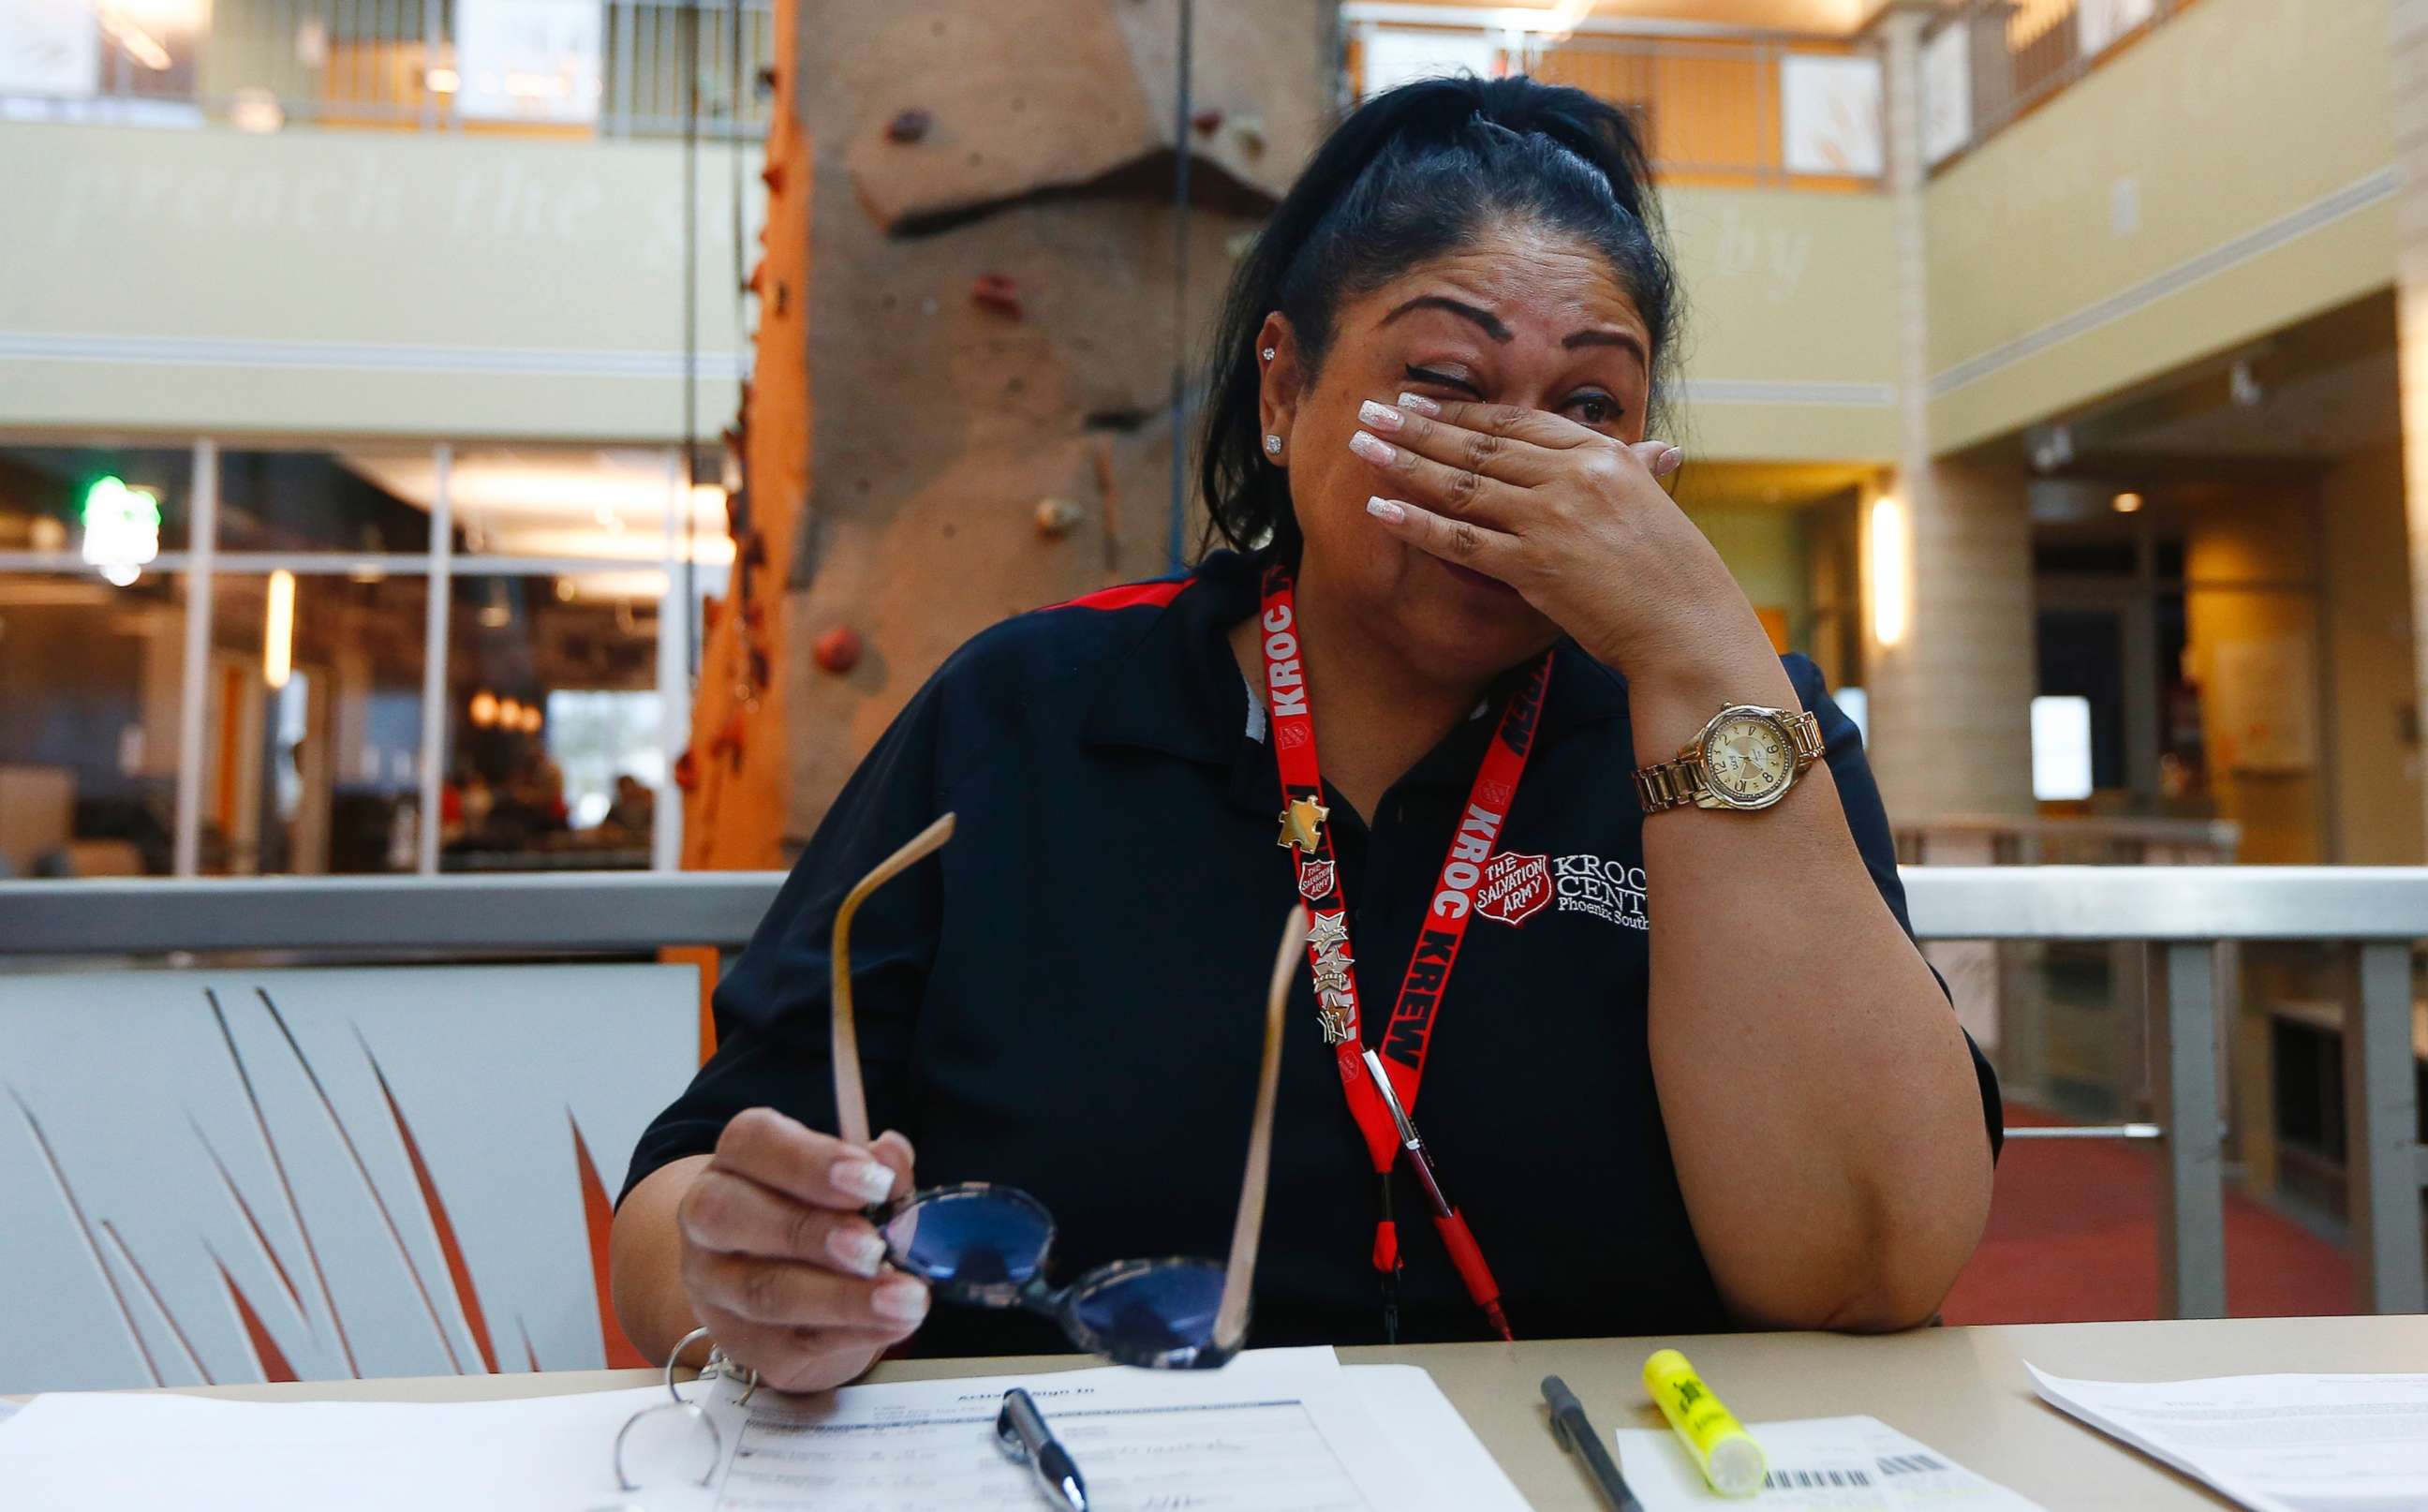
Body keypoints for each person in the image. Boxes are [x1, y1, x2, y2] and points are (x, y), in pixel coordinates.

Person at [611, 76, 2001, 1392]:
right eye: (1447, 384)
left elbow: (1871, 1267)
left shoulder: (1729, 720)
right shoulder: (1029, 708)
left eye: (1589, 408)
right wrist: (738, 1270)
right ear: (1284, 393)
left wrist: (1696, 645)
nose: (1515, 463)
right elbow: (682, 1198)